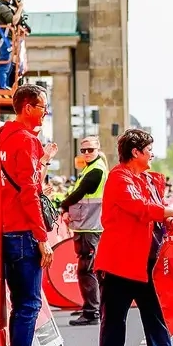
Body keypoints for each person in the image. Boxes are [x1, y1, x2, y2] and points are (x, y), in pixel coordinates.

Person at [94, 128, 173, 346]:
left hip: (145, 260)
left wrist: (171, 217)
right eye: (149, 150)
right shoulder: (118, 177)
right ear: (135, 152)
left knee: (155, 314)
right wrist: (171, 211)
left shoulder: (147, 180)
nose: (152, 155)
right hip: (119, 260)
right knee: (114, 317)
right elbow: (140, 208)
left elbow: (155, 215)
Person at [0, 85, 58, 346]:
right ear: (26, 108)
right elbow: (29, 193)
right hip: (23, 232)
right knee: (28, 305)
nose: (45, 111)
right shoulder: (27, 140)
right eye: (42, 106)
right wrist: (42, 237)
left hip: (6, 230)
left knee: (18, 306)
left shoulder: (2, 138)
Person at [58, 135, 108, 326]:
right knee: (87, 269)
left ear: (98, 149)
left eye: (90, 150)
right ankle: (91, 306)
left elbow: (79, 194)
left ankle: (91, 312)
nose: (86, 153)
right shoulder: (90, 168)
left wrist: (63, 206)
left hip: (90, 226)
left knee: (87, 270)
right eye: (83, 150)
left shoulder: (96, 170)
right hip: (87, 225)